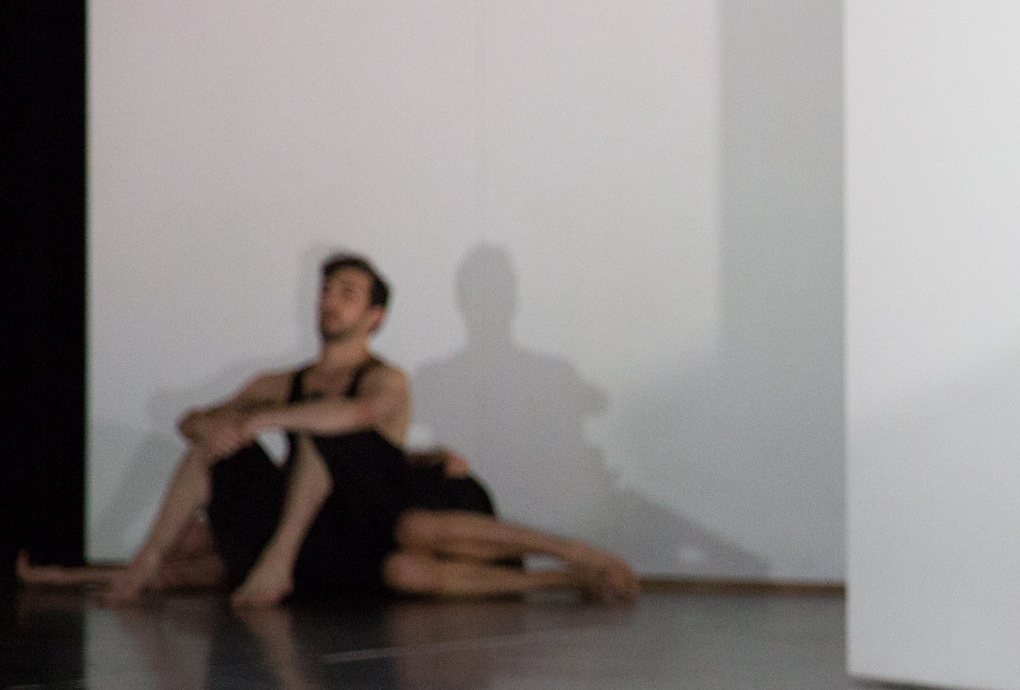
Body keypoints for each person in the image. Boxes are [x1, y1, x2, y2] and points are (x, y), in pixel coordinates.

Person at [40, 253, 639, 607]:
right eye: (327, 292)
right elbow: (195, 419)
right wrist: (215, 425)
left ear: (374, 316)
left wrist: (259, 421)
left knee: (401, 524)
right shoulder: (285, 381)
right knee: (213, 459)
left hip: (383, 508)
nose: (330, 302)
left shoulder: (388, 379)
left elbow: (353, 418)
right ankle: (136, 567)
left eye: (346, 294)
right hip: (326, 531)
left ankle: (573, 558)